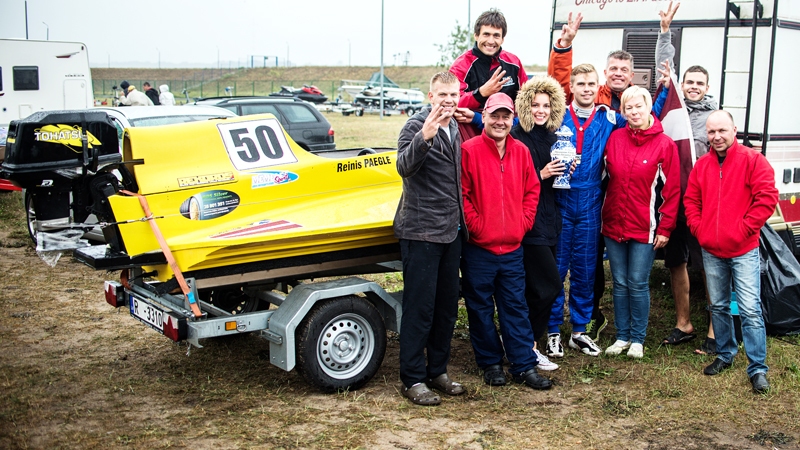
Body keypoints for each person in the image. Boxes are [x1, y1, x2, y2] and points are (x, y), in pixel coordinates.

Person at [549, 13, 638, 342]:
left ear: (596, 87)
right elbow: (521, 123)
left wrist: (666, 89)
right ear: (571, 88)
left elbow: (643, 122)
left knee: (586, 268)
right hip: (560, 199)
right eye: (581, 84)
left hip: (590, 201)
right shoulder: (557, 116)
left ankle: (580, 328)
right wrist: (477, 118)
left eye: (590, 84)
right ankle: (552, 327)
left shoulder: (609, 118)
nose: (586, 89)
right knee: (556, 267)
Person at [460, 92, 551, 390]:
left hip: (512, 248)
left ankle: (523, 365)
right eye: (494, 116)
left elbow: (532, 191)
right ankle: (490, 363)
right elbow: (463, 195)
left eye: (505, 116)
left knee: (515, 307)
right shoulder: (469, 150)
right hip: (479, 249)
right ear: (484, 116)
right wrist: (477, 227)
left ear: (513, 119)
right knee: (480, 309)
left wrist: (521, 224)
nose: (500, 122)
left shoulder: (521, 151)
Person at [684, 110, 778, 393]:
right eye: (711, 132)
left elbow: (767, 198)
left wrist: (743, 230)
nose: (717, 137)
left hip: (743, 249)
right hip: (712, 250)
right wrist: (700, 229)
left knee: (750, 308)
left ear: (734, 131)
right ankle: (725, 354)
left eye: (722, 131)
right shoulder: (702, 165)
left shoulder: (753, 161)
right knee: (718, 306)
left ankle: (757, 368)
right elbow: (691, 201)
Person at [394, 72, 466, 406]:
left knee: (446, 308)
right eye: (443, 95)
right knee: (419, 309)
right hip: (421, 232)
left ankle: (437, 371)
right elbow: (403, 167)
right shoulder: (415, 125)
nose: (449, 101)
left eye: (454, 94)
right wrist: (425, 136)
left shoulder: (456, 128)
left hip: (451, 232)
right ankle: (412, 378)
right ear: (430, 95)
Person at [656, 1, 720, 354]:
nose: (693, 87)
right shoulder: (673, 109)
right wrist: (665, 32)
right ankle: (684, 323)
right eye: (689, 82)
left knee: (709, 265)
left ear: (707, 87)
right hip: (673, 200)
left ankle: (715, 329)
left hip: (704, 203)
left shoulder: (714, 117)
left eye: (699, 83)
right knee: (676, 262)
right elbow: (665, 68)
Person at [602, 86, 680, 359]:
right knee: (620, 283)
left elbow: (672, 192)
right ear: (623, 112)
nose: (634, 112)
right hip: (613, 224)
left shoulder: (665, 144)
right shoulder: (615, 139)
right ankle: (621, 336)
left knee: (637, 282)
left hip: (645, 227)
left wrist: (665, 228)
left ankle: (637, 339)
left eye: (639, 106)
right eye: (629, 108)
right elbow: (602, 177)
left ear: (649, 108)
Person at [509, 75, 569, 372]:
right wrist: (541, 174)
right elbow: (508, 180)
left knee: (538, 289)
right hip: (527, 224)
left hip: (550, 221)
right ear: (525, 106)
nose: (541, 111)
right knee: (548, 287)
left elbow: (556, 179)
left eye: (546, 105)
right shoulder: (516, 137)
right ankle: (527, 346)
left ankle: (524, 344)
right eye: (535, 105)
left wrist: (568, 166)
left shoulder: (555, 138)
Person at [450, 8, 527, 140]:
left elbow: (528, 103)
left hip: (509, 136)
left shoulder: (514, 63)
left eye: (496, 36)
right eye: (486, 34)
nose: (491, 41)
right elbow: (451, 103)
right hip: (471, 137)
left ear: (502, 39)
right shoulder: (461, 65)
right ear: (476, 35)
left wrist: (515, 123)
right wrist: (480, 93)